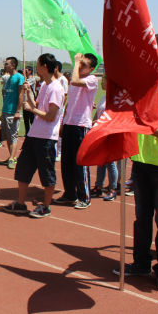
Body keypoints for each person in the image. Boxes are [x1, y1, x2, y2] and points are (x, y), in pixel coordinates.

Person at [113, 34, 158, 293]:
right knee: (141, 218)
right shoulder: (146, 87)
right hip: (142, 161)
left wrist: (140, 123)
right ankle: (141, 262)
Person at [3, 53, 64, 218]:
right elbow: (36, 104)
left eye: (37, 64)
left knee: (47, 173)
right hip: (33, 135)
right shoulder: (44, 85)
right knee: (23, 169)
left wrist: (32, 110)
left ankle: (46, 206)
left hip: (46, 138)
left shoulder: (57, 88)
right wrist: (28, 93)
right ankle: (21, 203)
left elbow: (51, 115)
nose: (35, 67)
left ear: (44, 66)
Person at [55, 53, 99, 209]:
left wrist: (75, 62)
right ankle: (69, 194)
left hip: (81, 126)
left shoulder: (91, 80)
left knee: (80, 163)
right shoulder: (75, 82)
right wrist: (63, 122)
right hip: (69, 124)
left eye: (84, 65)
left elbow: (74, 80)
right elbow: (69, 104)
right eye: (81, 64)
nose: (80, 67)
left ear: (92, 68)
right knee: (66, 163)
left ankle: (84, 197)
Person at [92, 76, 119, 201]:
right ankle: (98, 186)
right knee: (101, 161)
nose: (102, 83)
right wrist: (94, 121)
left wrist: (102, 122)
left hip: (109, 132)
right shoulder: (104, 97)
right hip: (100, 132)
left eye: (104, 81)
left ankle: (113, 188)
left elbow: (114, 117)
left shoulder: (115, 99)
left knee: (110, 162)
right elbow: (99, 113)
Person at [0, 56, 25, 169]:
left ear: (13, 65)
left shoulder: (19, 78)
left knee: (13, 136)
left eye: (7, 64)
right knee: (8, 136)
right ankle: (11, 157)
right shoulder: (8, 78)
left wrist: (18, 111)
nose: (5, 65)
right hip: (5, 111)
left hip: (13, 112)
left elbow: (21, 95)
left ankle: (13, 159)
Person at [22, 66, 36, 136]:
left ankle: (33, 133)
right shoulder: (25, 78)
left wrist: (23, 79)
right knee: (25, 119)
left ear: (30, 71)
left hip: (31, 101)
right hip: (24, 100)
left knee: (32, 118)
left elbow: (25, 85)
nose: (24, 72)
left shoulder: (32, 79)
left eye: (26, 70)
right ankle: (27, 133)